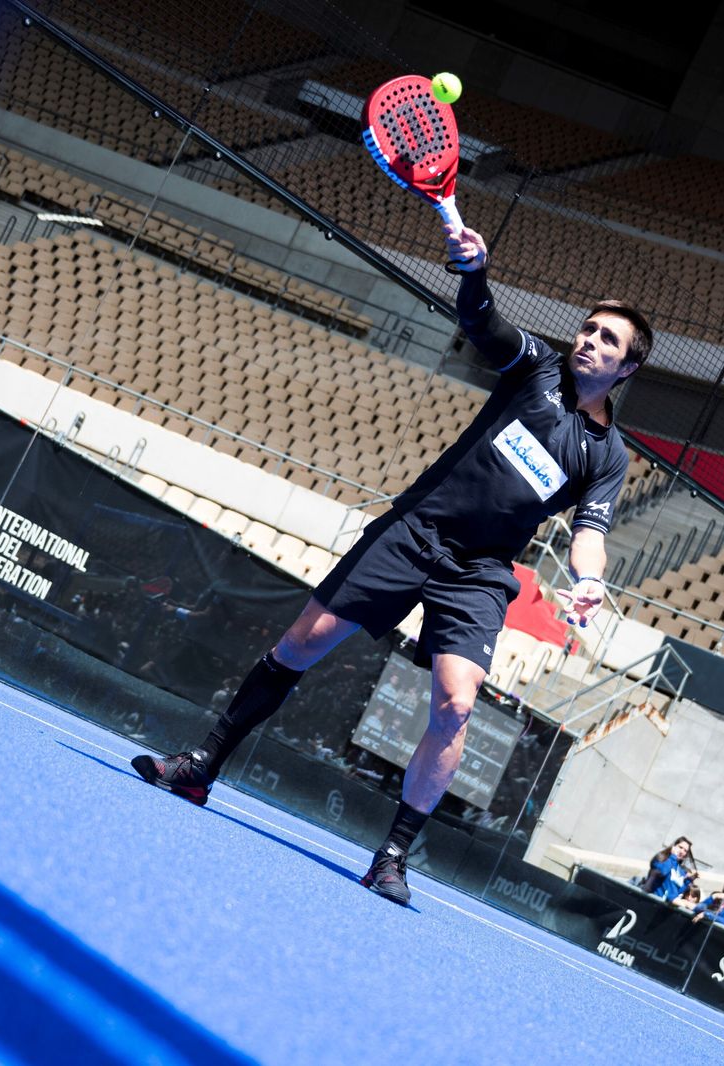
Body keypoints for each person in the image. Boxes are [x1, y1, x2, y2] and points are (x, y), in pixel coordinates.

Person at [129, 223, 655, 906]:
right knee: (302, 645)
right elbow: (483, 321)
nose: (589, 340)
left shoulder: (607, 455)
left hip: (480, 572)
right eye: (588, 329)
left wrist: (588, 580)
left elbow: (590, 533)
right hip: (414, 530)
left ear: (627, 369)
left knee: (457, 707)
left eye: (607, 340)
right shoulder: (536, 370)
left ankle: (393, 855)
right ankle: (202, 766)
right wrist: (473, 272)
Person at [640, 836, 697, 902]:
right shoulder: (662, 857)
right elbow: (662, 872)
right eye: (680, 847)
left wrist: (688, 880)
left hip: (665, 905)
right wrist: (673, 857)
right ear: (674, 846)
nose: (682, 851)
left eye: (685, 851)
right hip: (650, 899)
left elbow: (677, 892)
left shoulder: (681, 870)